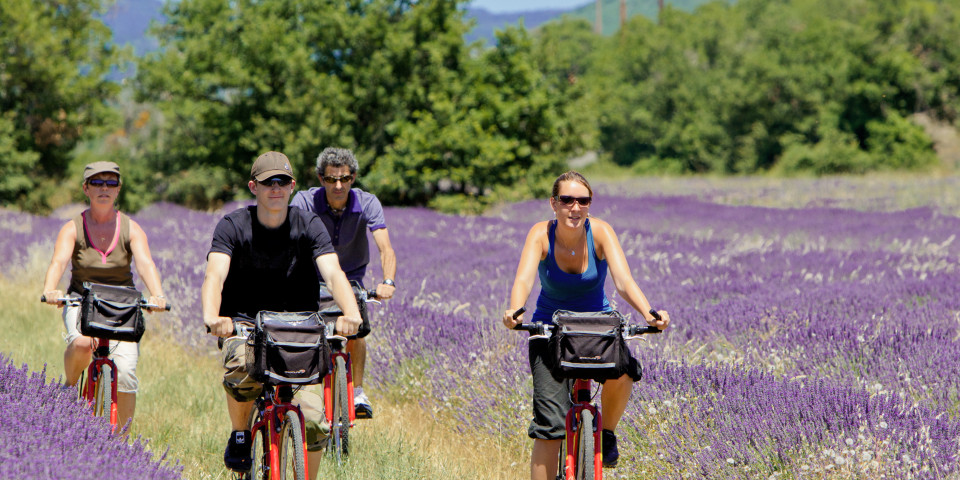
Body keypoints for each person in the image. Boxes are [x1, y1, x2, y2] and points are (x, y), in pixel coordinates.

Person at [202, 151, 363, 477]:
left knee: (316, 421)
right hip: (244, 324)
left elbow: (332, 273)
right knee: (241, 372)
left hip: (299, 330)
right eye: (267, 182)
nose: (276, 188)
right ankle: (240, 433)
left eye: (283, 181)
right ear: (253, 186)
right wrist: (213, 317)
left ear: (292, 186)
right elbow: (215, 275)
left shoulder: (308, 224)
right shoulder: (233, 225)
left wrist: (351, 314)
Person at [501, 171, 670, 480]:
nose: (574, 208)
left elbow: (623, 281)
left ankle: (605, 433)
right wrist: (515, 311)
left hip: (597, 327)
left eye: (583, 201)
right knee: (549, 423)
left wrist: (649, 314)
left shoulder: (602, 232)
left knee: (625, 370)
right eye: (567, 200)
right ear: (554, 203)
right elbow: (523, 279)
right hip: (550, 330)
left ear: (590, 205)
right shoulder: (541, 234)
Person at [41, 161, 167, 429]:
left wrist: (157, 295)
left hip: (122, 306)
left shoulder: (132, 228)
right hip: (81, 301)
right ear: (86, 188)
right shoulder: (73, 227)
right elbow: (58, 261)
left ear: (118, 189)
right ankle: (69, 386)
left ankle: (120, 446)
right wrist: (50, 290)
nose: (104, 188)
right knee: (83, 344)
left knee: (127, 375)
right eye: (97, 183)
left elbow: (146, 264)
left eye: (111, 183)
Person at [290, 147, 397, 419]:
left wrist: (387, 281)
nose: (338, 185)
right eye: (330, 179)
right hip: (312, 278)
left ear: (354, 178)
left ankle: (357, 391)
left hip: (351, 279)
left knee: (356, 328)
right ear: (320, 178)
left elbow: (385, 247)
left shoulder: (367, 202)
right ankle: (305, 386)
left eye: (345, 179)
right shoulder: (305, 201)